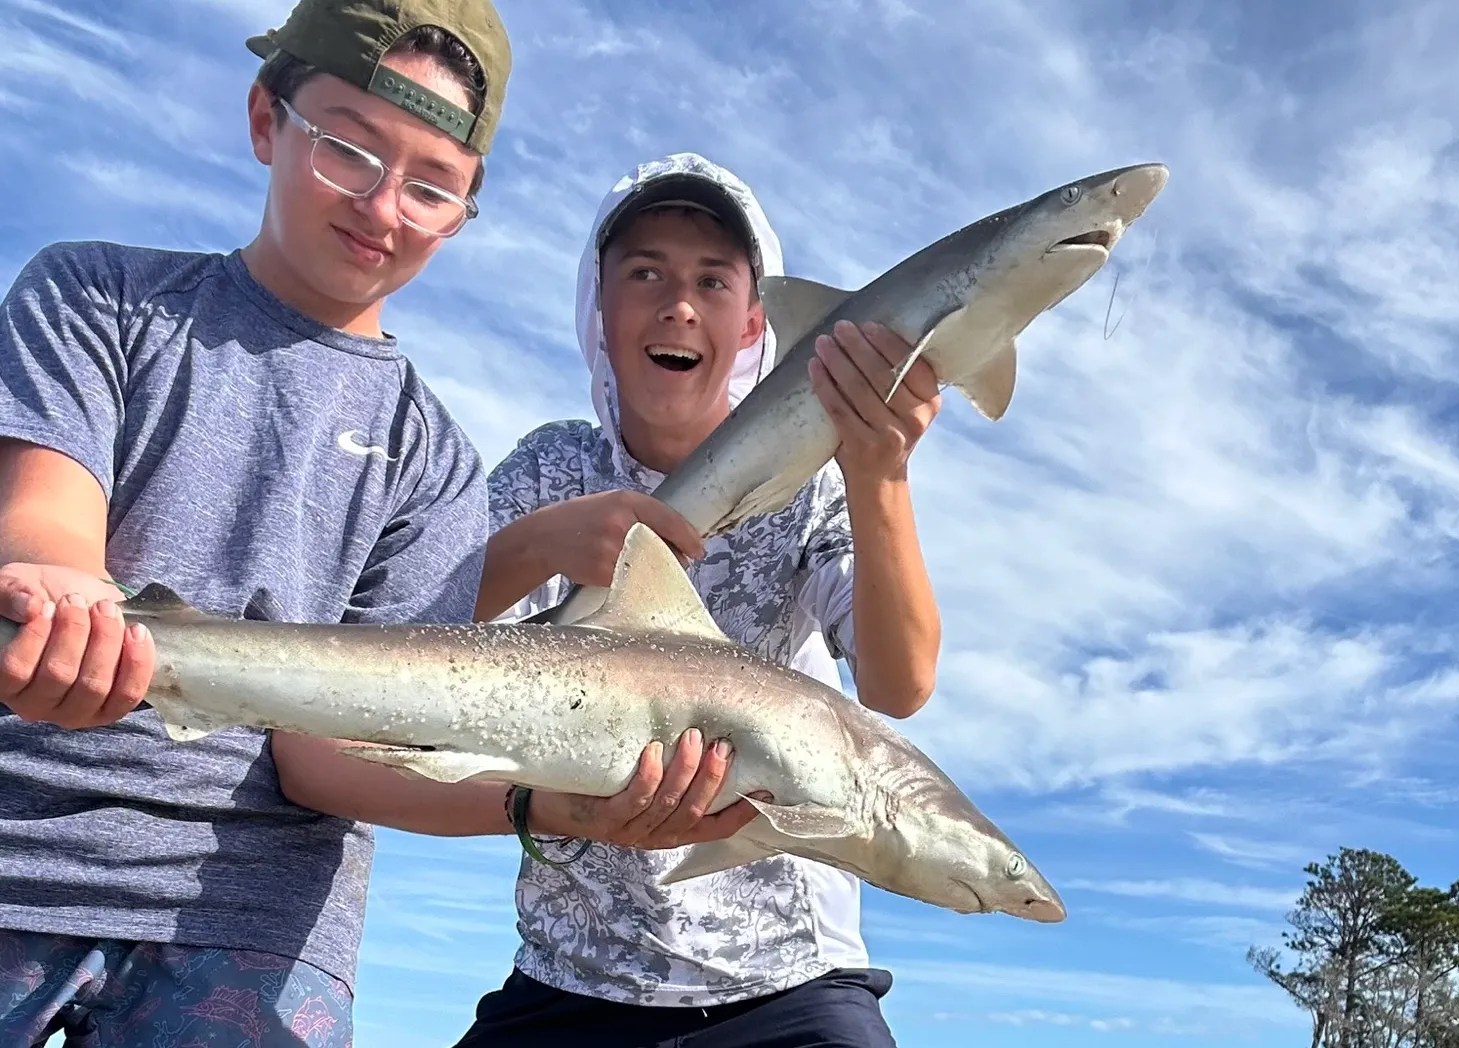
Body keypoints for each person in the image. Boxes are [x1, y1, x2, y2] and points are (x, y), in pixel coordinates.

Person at [0, 2, 531, 1043]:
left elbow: (329, 756)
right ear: (264, 120)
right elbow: (43, 521)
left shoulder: (437, 459)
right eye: (347, 148)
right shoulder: (93, 297)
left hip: (259, 915)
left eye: (431, 185)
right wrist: (60, 595)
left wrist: (549, 807)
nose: (383, 207)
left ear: (464, 210)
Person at [450, 152, 945, 1047]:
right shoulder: (550, 468)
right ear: (598, 305)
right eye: (644, 273)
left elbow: (900, 683)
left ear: (753, 317)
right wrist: (539, 544)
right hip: (572, 975)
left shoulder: (808, 482)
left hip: (793, 981)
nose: (678, 303)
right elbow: (429, 647)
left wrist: (882, 474)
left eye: (712, 280)